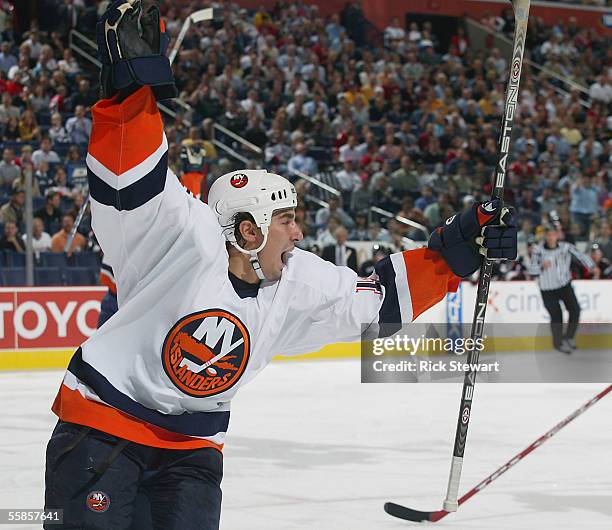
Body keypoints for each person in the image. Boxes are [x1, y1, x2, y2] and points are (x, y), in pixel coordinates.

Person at [43, 3, 517, 529]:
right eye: (286, 220)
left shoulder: (297, 279)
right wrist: (132, 93)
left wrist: (460, 248)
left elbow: (381, 299)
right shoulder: (181, 234)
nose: (298, 233)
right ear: (248, 230)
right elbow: (130, 181)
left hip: (192, 449)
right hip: (101, 428)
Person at [528, 225, 594, 353]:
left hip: (564, 285)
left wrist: (591, 266)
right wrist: (542, 266)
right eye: (549, 235)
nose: (551, 237)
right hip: (547, 289)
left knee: (575, 310)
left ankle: (569, 337)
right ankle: (558, 344)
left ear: (557, 235)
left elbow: (580, 255)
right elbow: (533, 270)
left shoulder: (566, 247)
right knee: (556, 316)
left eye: (553, 234)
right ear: (545, 236)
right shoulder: (538, 250)